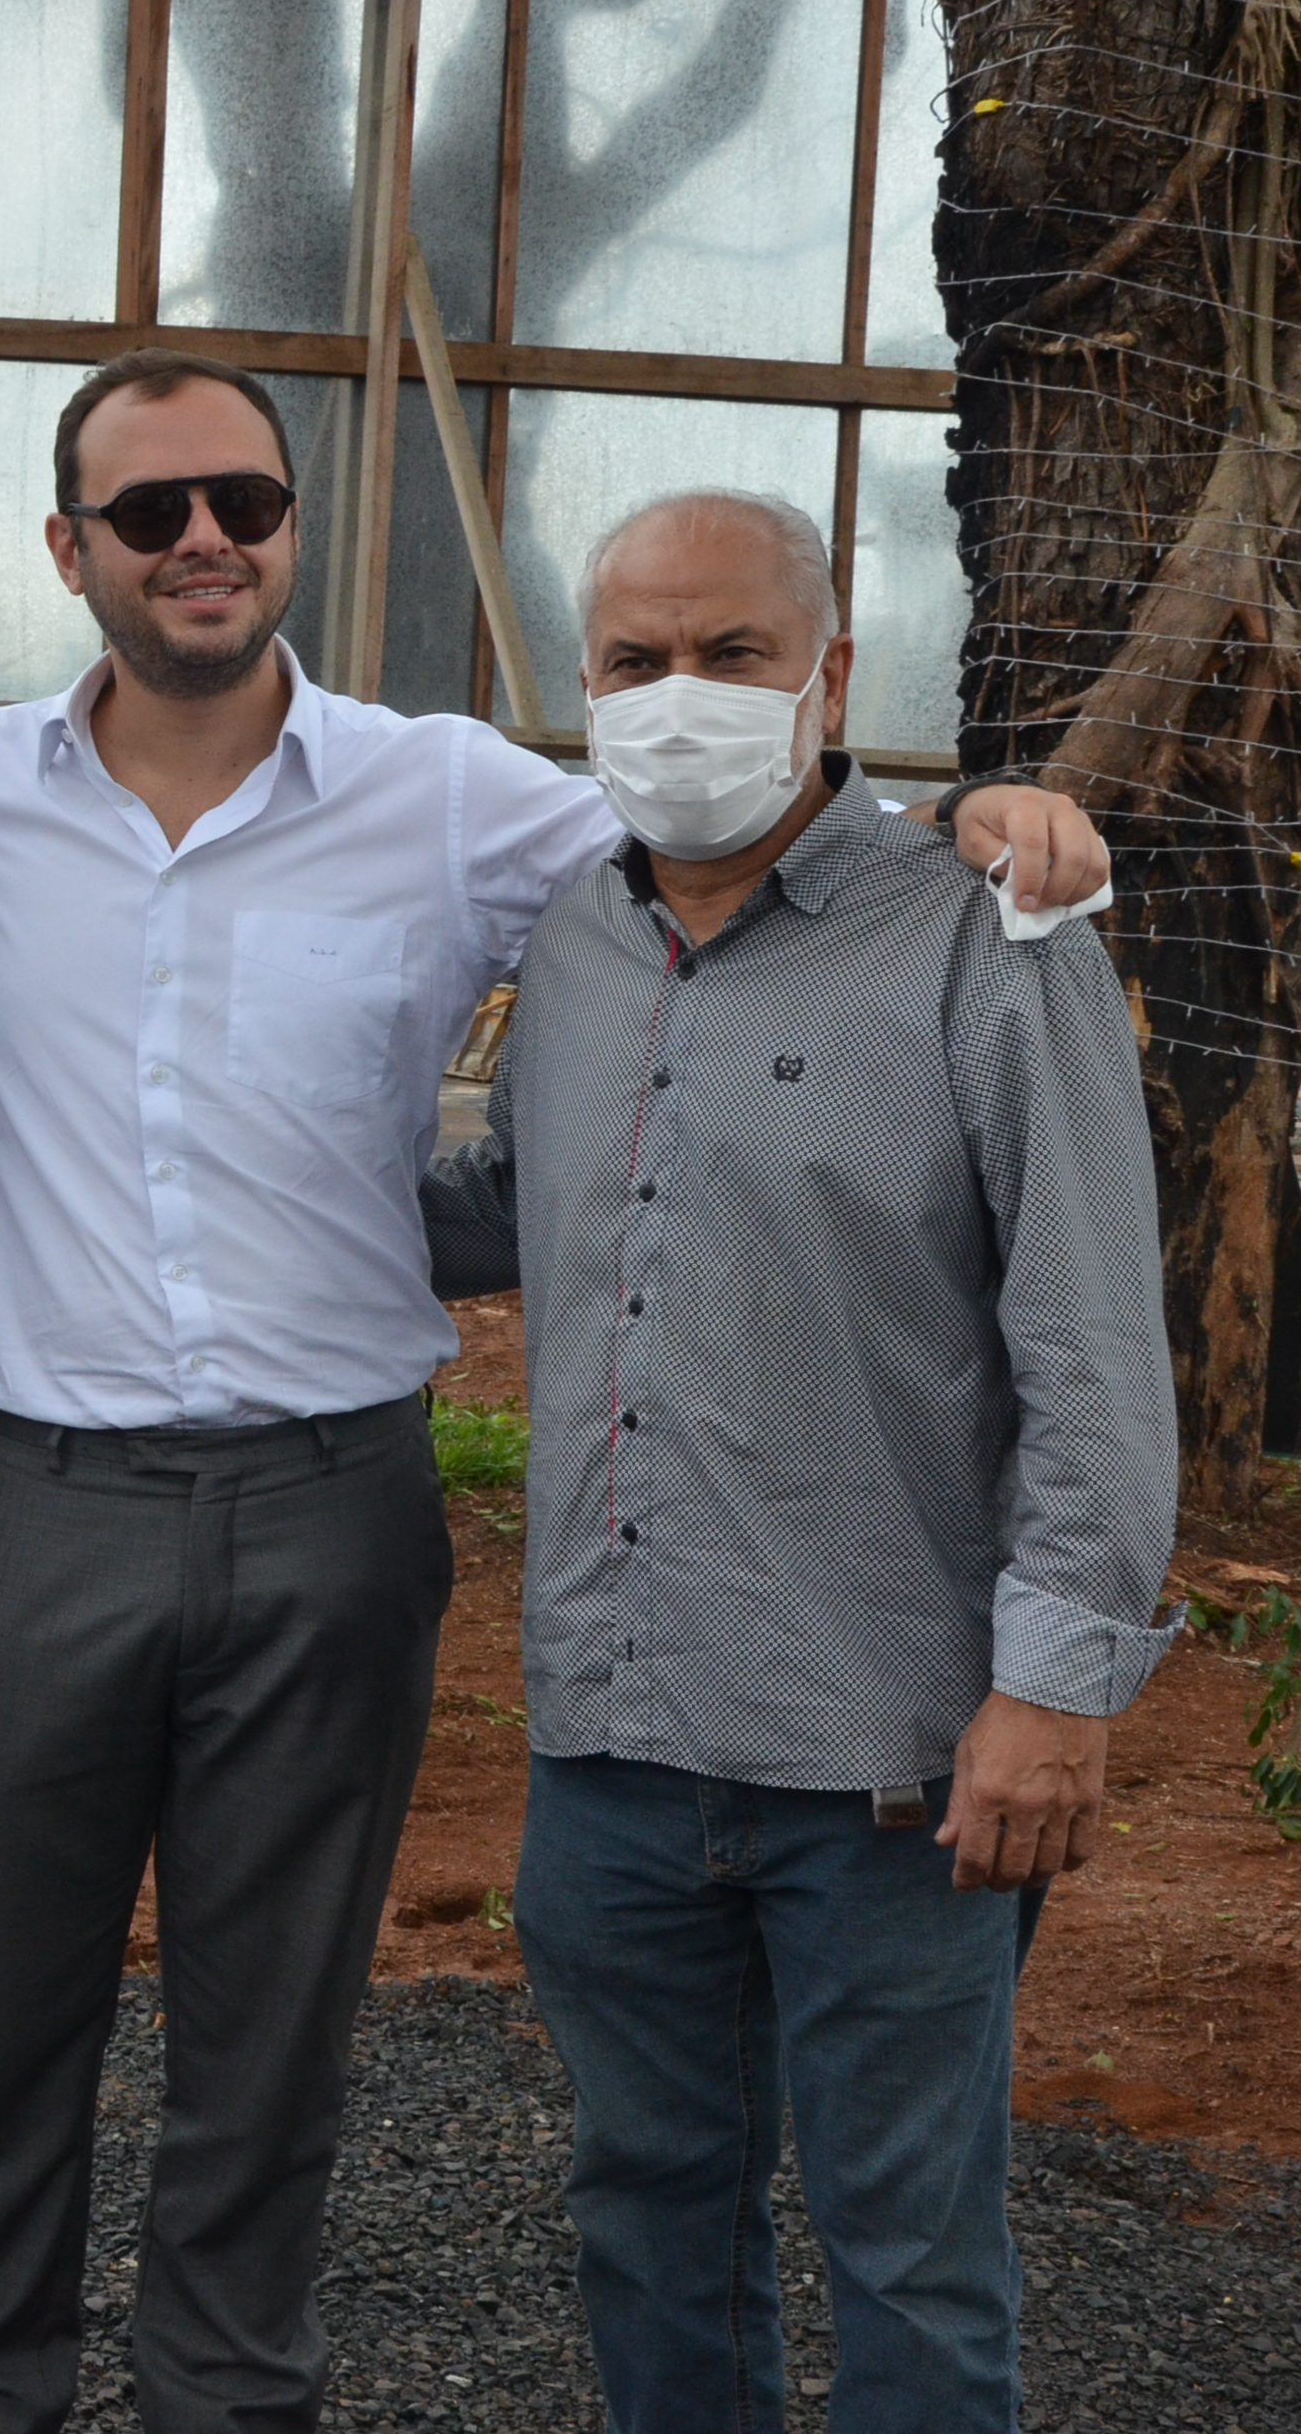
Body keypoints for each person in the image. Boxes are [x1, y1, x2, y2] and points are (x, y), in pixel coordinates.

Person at [0, 349, 1113, 2434]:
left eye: (242, 499)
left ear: (291, 529)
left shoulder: (452, 795)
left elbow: (739, 836)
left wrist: (965, 811)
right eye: (149, 511)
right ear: (70, 551)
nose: (204, 540)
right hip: (43, 1502)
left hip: (335, 1515)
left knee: (271, 2042)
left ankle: (226, 2401)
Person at [415, 488, 1174, 2432]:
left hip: (893, 1764)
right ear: (584, 689)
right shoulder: (575, 947)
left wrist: (1051, 1691)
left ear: (831, 674)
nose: (683, 698)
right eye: (637, 663)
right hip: (614, 1745)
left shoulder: (987, 934)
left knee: (910, 2251)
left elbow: (1089, 1340)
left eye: (735, 655)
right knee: (651, 2216)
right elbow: (515, 1208)